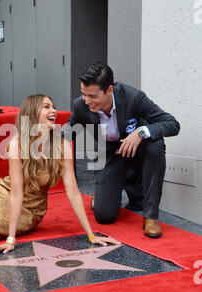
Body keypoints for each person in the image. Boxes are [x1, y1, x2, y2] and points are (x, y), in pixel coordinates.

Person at [0, 94, 121, 254]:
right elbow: (16, 193)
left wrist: (91, 235)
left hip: (32, 210)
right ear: (32, 113)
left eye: (54, 107)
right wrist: (11, 239)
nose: (54, 111)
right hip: (4, 193)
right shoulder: (17, 144)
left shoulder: (62, 145)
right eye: (47, 107)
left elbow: (73, 192)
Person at [64, 62, 180, 238]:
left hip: (138, 150)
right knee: (105, 216)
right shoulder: (81, 105)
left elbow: (172, 124)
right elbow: (70, 129)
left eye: (93, 96)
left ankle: (151, 217)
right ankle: (105, 188)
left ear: (109, 90)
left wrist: (140, 132)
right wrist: (55, 141)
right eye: (83, 94)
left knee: (156, 145)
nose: (87, 101)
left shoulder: (134, 97)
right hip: (111, 154)